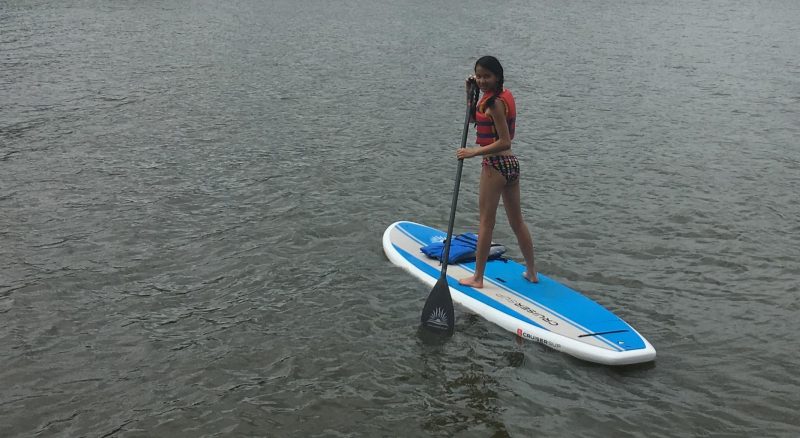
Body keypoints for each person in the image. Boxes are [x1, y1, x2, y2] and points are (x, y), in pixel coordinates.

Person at [456, 56, 539, 288]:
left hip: (495, 166)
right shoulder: (498, 97)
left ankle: (478, 278)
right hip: (511, 166)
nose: (482, 80)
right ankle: (532, 272)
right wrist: (469, 92)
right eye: (479, 76)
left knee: (486, 222)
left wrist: (474, 152)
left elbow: (504, 141)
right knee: (517, 222)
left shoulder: (494, 104)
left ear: (497, 77)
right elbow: (474, 118)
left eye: (487, 76)